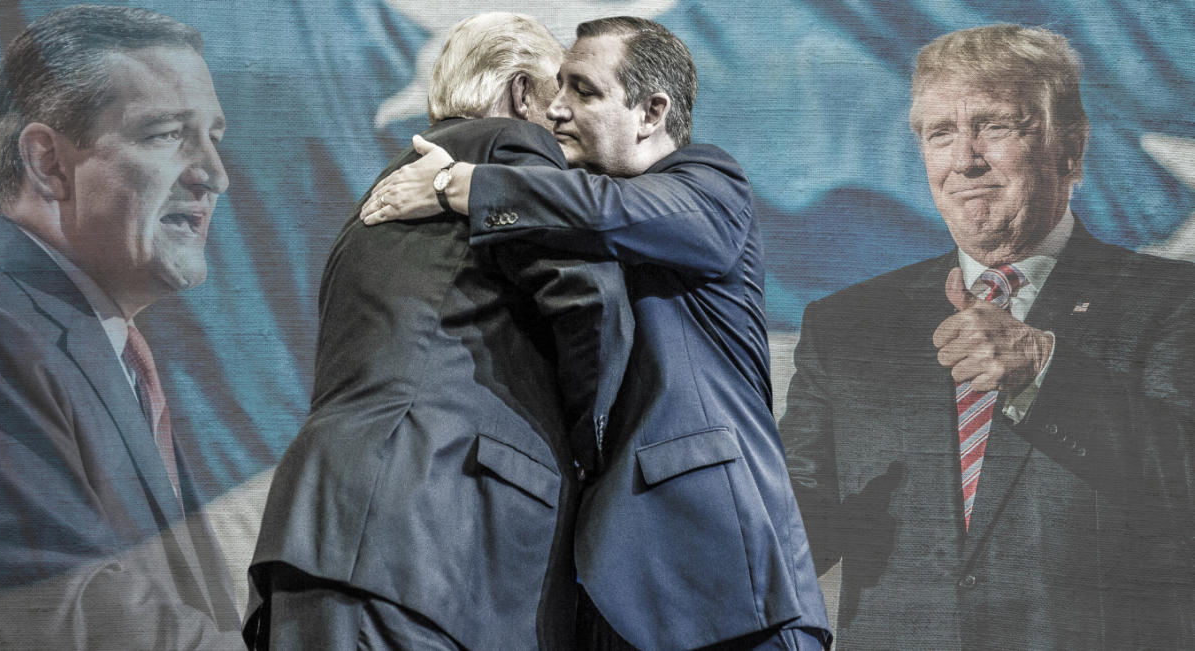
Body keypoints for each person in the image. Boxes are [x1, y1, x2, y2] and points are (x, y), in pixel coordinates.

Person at [362, 16, 830, 651]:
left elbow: (615, 212)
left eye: (582, 91)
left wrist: (461, 184)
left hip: (723, 577)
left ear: (651, 112)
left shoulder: (710, 185)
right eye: (556, 89)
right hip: (608, 591)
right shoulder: (565, 220)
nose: (555, 109)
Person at [778, 24, 1195, 649]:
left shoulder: (1172, 301)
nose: (965, 160)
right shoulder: (846, 324)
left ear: (1070, 151)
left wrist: (1045, 368)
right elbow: (794, 535)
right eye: (940, 134)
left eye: (996, 126)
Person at [245, 13, 633, 650]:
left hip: (330, 541)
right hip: (431, 537)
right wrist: (603, 457)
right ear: (520, 95)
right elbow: (589, 295)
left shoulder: (373, 204)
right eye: (557, 93)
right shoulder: (508, 150)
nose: (565, 117)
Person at [0, 5, 242, 649]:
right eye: (168, 134)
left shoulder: (102, 341)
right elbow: (61, 613)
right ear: (48, 163)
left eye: (214, 137)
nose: (213, 175)